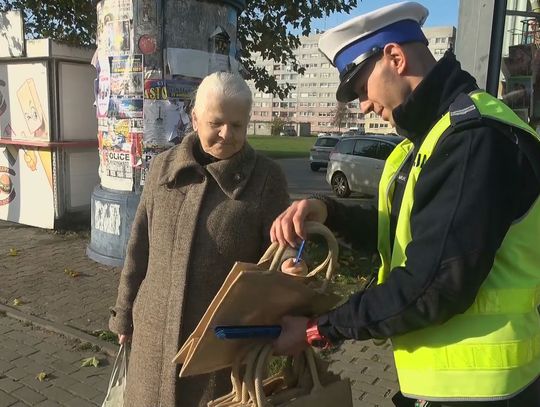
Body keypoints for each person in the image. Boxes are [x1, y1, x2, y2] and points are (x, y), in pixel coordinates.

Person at [272, 2, 540, 406]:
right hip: (444, 387)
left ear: (394, 57)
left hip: (484, 393)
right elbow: (399, 233)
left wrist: (317, 329)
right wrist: (326, 210)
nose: (362, 105)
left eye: (362, 88)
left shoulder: (473, 139)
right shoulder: (431, 139)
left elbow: (430, 285)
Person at [109, 72, 291, 407]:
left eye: (238, 125)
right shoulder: (163, 168)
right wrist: (124, 314)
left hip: (221, 349)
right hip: (153, 336)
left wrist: (291, 267)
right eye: (216, 123)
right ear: (195, 119)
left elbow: (279, 256)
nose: (227, 134)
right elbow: (138, 248)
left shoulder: (267, 179)